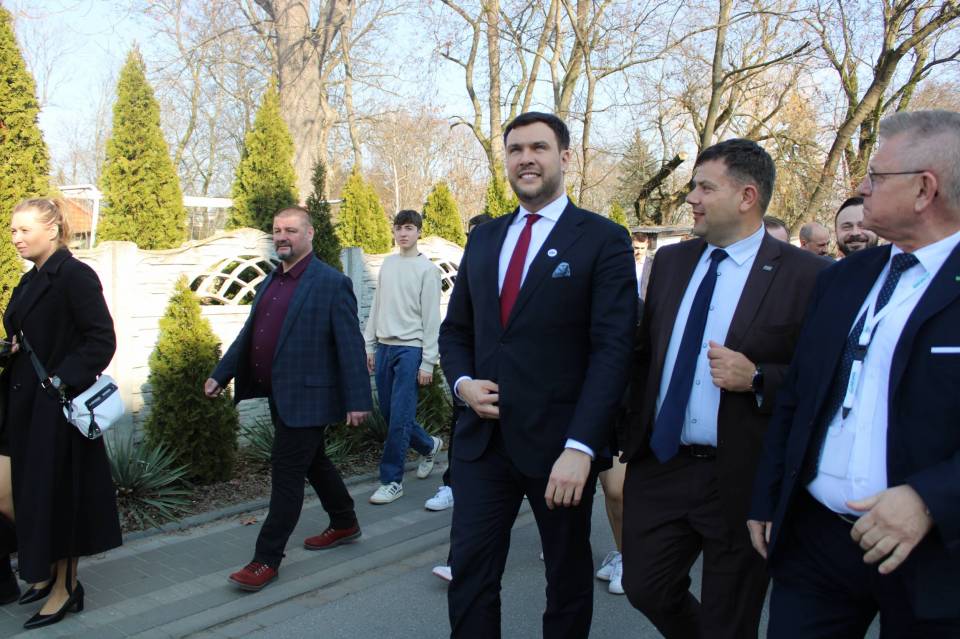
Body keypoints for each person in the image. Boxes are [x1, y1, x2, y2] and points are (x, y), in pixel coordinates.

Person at [749, 110, 960, 637]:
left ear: (924, 190)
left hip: (934, 555)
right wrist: (770, 496)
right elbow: (798, 397)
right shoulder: (843, 279)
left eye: (876, 176)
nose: (861, 188)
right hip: (816, 542)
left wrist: (930, 499)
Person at [439, 111, 636, 637]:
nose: (526, 158)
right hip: (481, 445)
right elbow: (456, 331)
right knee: (471, 575)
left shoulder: (603, 239)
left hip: (560, 450)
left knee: (566, 579)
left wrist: (582, 447)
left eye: (539, 148)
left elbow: (613, 351)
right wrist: (462, 384)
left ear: (565, 158)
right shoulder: (484, 239)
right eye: (515, 149)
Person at [620, 139, 827, 639]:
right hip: (662, 464)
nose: (691, 198)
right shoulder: (671, 263)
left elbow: (823, 378)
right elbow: (645, 354)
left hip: (742, 475)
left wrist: (757, 378)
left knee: (730, 619)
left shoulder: (808, 275)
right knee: (644, 586)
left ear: (746, 196)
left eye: (704, 188)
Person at [206, 205, 372, 592]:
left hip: (311, 397)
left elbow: (350, 344)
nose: (282, 236)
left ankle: (266, 558)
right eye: (277, 230)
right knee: (314, 461)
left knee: (286, 473)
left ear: (309, 234)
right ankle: (345, 521)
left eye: (291, 230)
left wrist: (358, 399)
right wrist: (221, 373)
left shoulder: (331, 282)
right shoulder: (271, 281)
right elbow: (250, 335)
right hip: (279, 395)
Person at [3, 198, 121, 629]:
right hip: (20, 406)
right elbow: (29, 336)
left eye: (24, 230)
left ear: (52, 229)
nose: (16, 238)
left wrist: (59, 381)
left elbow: (101, 340)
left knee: (59, 496)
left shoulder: (74, 275)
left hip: (55, 408)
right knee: (17, 494)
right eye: (13, 230)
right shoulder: (30, 279)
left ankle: (65, 587)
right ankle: (47, 571)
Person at [428, 213, 492, 583]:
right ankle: (459, 561)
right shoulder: (468, 274)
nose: (476, 242)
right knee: (471, 488)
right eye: (472, 236)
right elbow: (453, 330)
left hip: (524, 408)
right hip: (470, 393)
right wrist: (463, 381)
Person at [365, 210, 443, 505]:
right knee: (390, 414)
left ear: (419, 231)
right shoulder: (388, 264)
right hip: (385, 347)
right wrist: (369, 345)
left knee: (399, 418)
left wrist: (428, 361)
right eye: (398, 228)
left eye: (409, 228)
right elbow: (377, 306)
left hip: (411, 350)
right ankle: (429, 445)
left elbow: (431, 319)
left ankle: (392, 481)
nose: (403, 233)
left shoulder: (427, 270)